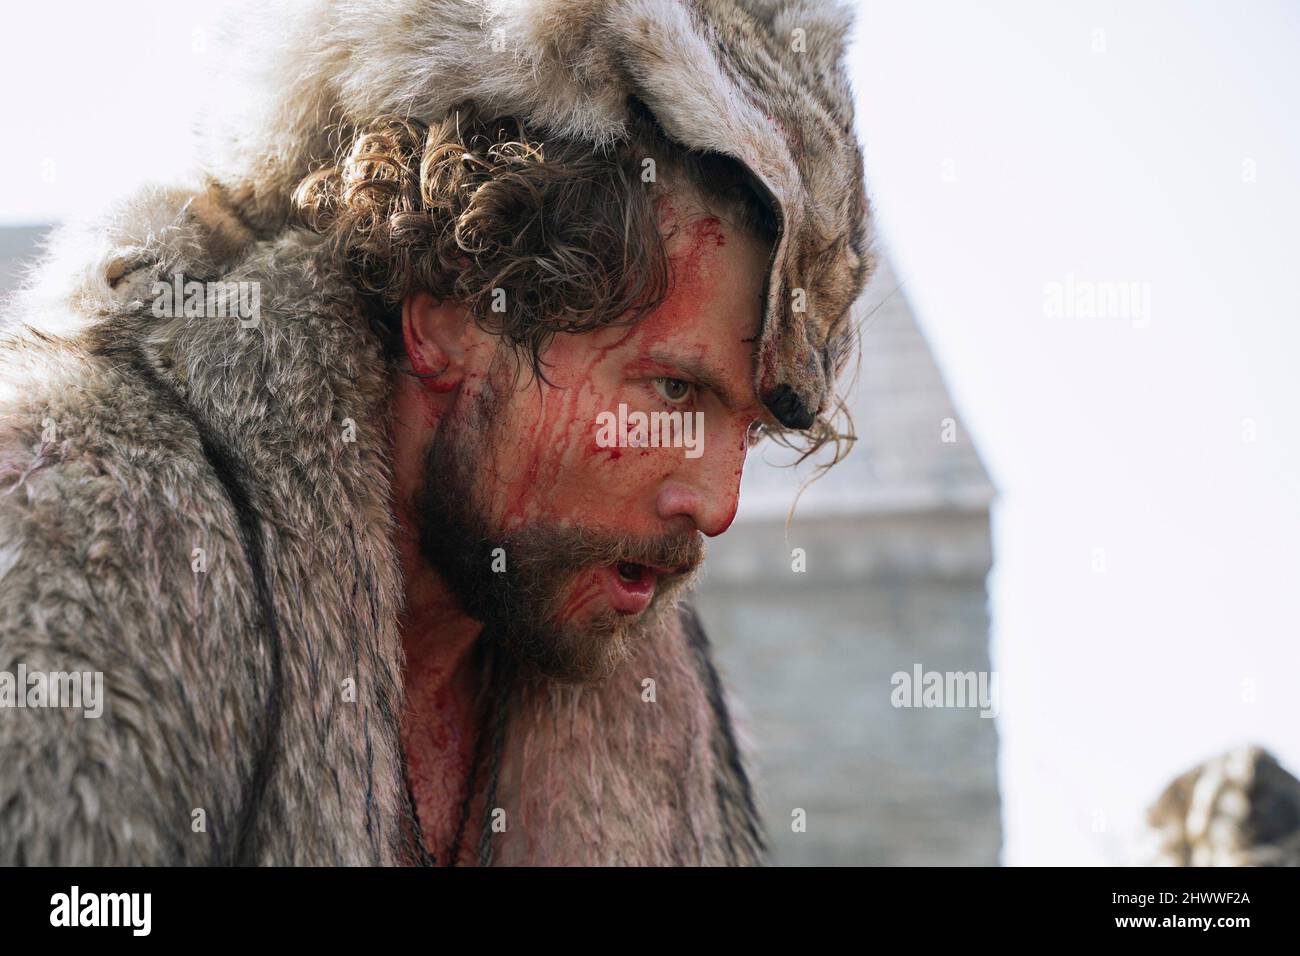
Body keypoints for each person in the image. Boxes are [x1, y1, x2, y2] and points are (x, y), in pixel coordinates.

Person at [0, 0, 872, 865]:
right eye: (675, 390)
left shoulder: (649, 695)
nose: (718, 506)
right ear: (452, 318)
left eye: (751, 432)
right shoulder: (88, 559)